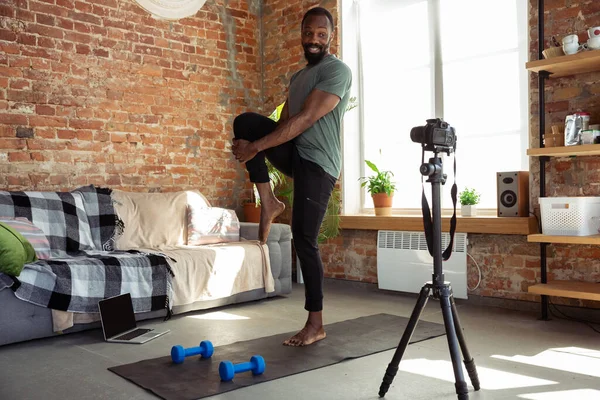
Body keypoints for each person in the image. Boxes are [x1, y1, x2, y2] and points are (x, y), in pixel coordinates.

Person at [232, 6, 352, 347]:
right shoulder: (298, 77)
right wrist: (250, 143)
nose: (314, 39)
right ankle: (268, 201)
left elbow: (306, 118)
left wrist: (255, 148)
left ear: (331, 37)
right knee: (245, 123)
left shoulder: (337, 71)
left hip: (319, 165)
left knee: (304, 239)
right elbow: (285, 121)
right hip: (296, 154)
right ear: (301, 35)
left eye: (321, 34)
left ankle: (316, 323)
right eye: (308, 33)